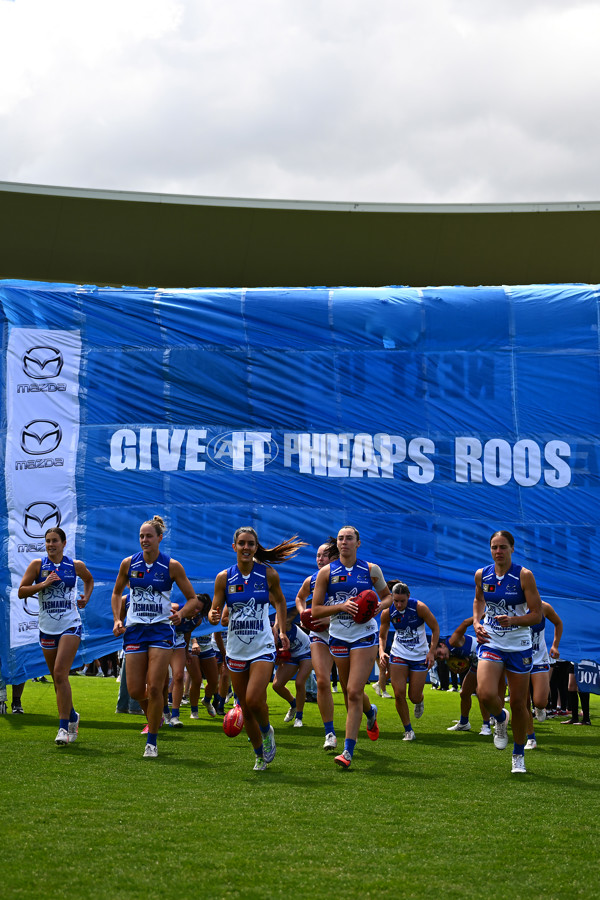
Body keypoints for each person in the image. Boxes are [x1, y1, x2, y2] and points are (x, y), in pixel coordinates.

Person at [208, 526, 306, 771]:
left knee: (253, 699)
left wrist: (281, 630)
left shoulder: (268, 574)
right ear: (234, 547)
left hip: (262, 646)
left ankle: (267, 730)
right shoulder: (224, 578)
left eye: (251, 543)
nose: (246, 548)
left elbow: (281, 602)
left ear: (256, 547)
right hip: (235, 649)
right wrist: (213, 614)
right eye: (241, 543)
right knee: (246, 709)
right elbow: (216, 611)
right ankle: (259, 755)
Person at [111, 515, 200, 758]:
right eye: (141, 536)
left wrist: (180, 613)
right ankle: (156, 715)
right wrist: (118, 619)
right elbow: (117, 593)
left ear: (160, 538)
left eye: (149, 536)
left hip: (161, 630)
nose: (144, 540)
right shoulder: (128, 564)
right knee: (137, 690)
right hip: (135, 631)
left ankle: (152, 742)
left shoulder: (172, 566)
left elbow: (193, 599)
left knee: (155, 687)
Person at [311, 525, 392, 770]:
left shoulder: (370, 570)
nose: (344, 542)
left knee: (354, 691)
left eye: (349, 538)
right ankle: (371, 712)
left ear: (358, 543)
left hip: (364, 636)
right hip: (337, 637)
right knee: (349, 693)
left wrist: (378, 607)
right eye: (340, 539)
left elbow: (387, 596)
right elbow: (315, 610)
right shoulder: (327, 572)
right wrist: (341, 607)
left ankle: (347, 751)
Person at [473, 530, 542, 775]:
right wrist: (476, 621)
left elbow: (537, 614)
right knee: (484, 693)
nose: (498, 551)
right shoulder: (482, 574)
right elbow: (479, 600)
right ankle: (501, 719)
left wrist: (513, 621)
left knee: (519, 703)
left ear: (512, 548)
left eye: (503, 547)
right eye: (494, 547)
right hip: (491, 641)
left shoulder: (524, 575)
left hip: (519, 644)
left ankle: (519, 754)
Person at [18, 526, 94, 746]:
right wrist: (43, 584)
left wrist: (85, 598)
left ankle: (63, 728)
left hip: (70, 625)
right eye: (47, 541)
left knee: (61, 673)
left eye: (54, 541)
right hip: (47, 628)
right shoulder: (37, 565)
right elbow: (22, 591)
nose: (50, 545)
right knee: (57, 679)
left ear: (64, 543)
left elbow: (89, 580)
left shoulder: (74, 566)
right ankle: (72, 715)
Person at [295, 537, 340, 749]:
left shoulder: (347, 577)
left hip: (344, 633)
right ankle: (329, 733)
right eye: (317, 555)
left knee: (352, 689)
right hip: (319, 635)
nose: (319, 559)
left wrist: (330, 618)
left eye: (323, 555)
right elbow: (300, 597)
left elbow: (359, 608)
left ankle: (369, 711)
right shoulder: (312, 579)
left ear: (335, 557)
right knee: (322, 681)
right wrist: (305, 613)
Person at [379, 582, 439, 741]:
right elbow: (382, 635)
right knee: (399, 694)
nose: (398, 604)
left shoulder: (419, 607)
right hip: (398, 653)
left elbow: (435, 628)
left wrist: (432, 652)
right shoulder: (387, 612)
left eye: (402, 601)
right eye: (395, 600)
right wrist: (381, 651)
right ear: (391, 598)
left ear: (408, 597)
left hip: (420, 655)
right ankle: (408, 730)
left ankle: (420, 700)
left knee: (414, 696)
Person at [435, 617, 497, 735]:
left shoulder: (453, 641)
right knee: (464, 693)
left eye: (440, 653)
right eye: (439, 658)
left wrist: (481, 616)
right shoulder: (449, 656)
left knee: (481, 692)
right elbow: (462, 665)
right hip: (476, 663)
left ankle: (487, 726)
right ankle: (464, 723)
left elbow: (464, 623)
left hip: (487, 658)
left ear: (442, 645)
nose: (441, 657)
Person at [525, 601, 562, 748]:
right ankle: (531, 738)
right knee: (523, 702)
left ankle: (540, 708)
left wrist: (555, 645)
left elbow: (558, 623)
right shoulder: (513, 606)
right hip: (519, 659)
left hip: (539, 659)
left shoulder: (543, 607)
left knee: (540, 701)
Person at [273, 609, 313, 728]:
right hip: (291, 654)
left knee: (300, 683)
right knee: (276, 685)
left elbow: (288, 608)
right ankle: (294, 704)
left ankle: (299, 717)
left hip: (307, 651)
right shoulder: (268, 632)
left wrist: (303, 611)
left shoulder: (285, 623)